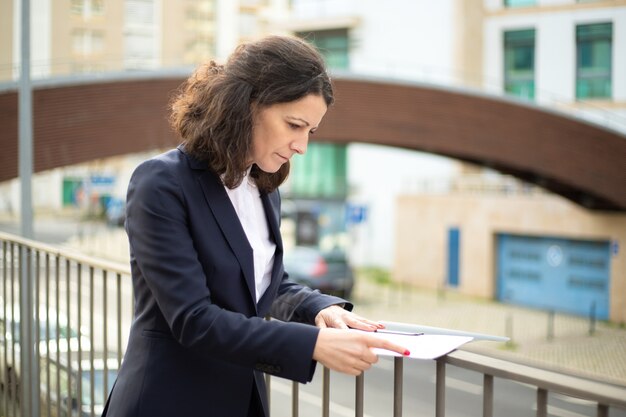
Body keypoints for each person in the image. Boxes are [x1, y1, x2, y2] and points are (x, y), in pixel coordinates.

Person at [102, 35, 408, 417]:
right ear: (246, 104)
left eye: (309, 131)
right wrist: (312, 344)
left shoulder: (262, 186)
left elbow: (260, 283)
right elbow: (193, 319)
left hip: (239, 402)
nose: (302, 146)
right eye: (294, 125)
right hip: (167, 400)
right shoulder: (161, 183)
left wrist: (317, 309)